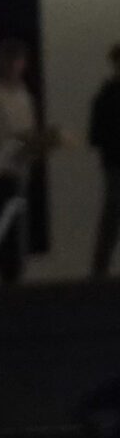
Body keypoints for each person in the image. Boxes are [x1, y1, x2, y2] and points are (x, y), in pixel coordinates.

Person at [0, 38, 52, 285]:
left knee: (17, 228)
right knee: (0, 227)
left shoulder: (25, 96)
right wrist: (4, 150)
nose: (15, 67)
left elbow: (30, 128)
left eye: (19, 62)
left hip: (19, 170)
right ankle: (0, 278)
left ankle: (14, 277)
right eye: (10, 61)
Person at [90, 41, 119, 280]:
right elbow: (97, 135)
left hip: (113, 162)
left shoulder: (104, 96)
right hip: (115, 163)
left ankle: (99, 269)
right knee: (112, 213)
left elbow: (96, 136)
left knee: (112, 214)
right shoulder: (106, 97)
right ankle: (99, 270)